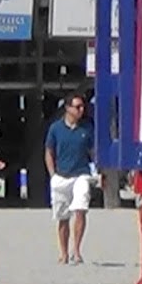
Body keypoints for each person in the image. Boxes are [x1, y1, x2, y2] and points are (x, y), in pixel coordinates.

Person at [45, 93, 95, 265]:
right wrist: (52, 174)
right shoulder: (55, 129)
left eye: (82, 107)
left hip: (81, 174)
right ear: (67, 108)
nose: (81, 109)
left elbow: (93, 152)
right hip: (61, 176)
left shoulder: (87, 128)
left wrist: (100, 171)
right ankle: (64, 253)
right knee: (62, 217)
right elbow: (49, 152)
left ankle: (77, 250)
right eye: (77, 106)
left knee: (80, 209)